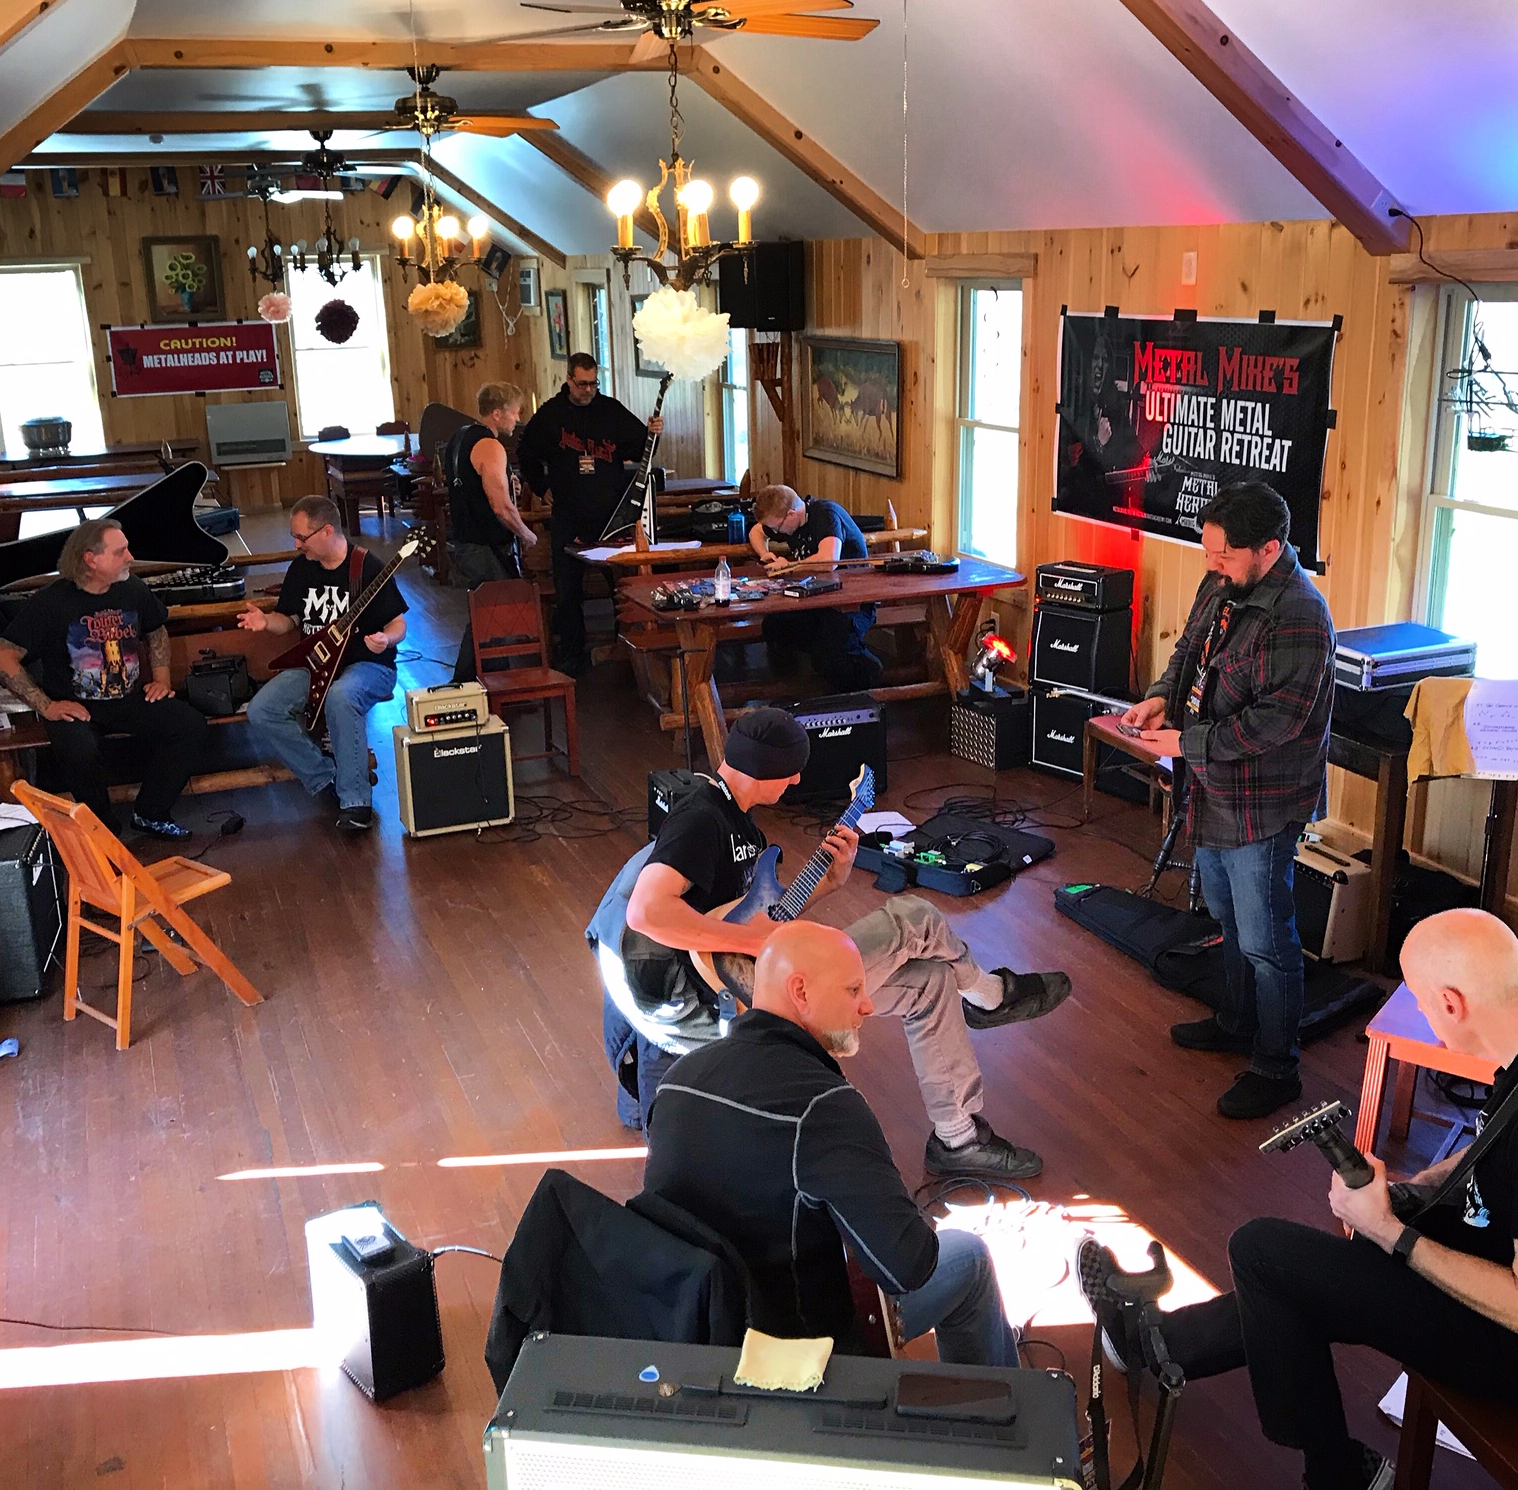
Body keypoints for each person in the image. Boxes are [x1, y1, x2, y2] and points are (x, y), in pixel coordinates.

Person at [1079, 910, 1518, 1490]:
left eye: (1420, 1001)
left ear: (1451, 1002)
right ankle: (1159, 1346)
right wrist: (1404, 1192)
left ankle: (1333, 1468)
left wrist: (1393, 1233)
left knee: (1262, 1250)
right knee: (1295, 1273)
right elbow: (1493, 1151)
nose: (1420, 1012)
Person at [592, 705, 1067, 1178]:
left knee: (931, 983)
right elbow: (647, 912)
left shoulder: (742, 824)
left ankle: (958, 1138)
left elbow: (765, 920)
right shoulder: (701, 817)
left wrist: (830, 882)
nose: (796, 781)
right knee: (917, 918)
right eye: (791, 771)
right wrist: (755, 945)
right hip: (724, 1000)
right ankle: (990, 996)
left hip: (758, 981)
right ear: (764, 768)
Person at [643, 920, 1020, 1365]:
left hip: (697, 1326)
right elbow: (909, 1267)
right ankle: (999, 1407)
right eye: (853, 990)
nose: (867, 1005)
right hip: (793, 1354)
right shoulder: (826, 1107)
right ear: (800, 991)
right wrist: (887, 1196)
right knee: (970, 1258)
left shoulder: (677, 1078)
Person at [1119, 482, 1335, 1119]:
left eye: (1224, 555)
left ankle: (1277, 1066)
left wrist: (1187, 742)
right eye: (1208, 551)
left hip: (1263, 800)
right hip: (1212, 787)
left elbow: (1278, 722)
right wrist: (1161, 696)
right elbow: (1189, 653)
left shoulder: (1300, 615)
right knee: (1228, 917)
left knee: (1266, 937)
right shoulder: (1222, 582)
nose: (1212, 564)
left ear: (1269, 548)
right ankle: (1238, 1022)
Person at [0, 519, 207, 839]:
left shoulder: (133, 588)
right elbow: (1, 658)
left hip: (130, 699)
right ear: (90, 559)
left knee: (190, 726)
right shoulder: (50, 602)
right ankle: (102, 831)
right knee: (79, 751)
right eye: (120, 552)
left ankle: (151, 812)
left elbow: (156, 629)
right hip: (74, 706)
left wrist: (162, 679)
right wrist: (47, 706)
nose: (131, 557)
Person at [239, 495, 407, 833]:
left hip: (368, 666)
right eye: (294, 537)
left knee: (341, 696)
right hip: (317, 666)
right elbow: (288, 620)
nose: (296, 544)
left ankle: (356, 801)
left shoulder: (367, 567)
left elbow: (398, 624)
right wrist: (266, 621)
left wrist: (385, 639)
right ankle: (326, 779)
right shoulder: (302, 568)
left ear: (327, 531)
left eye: (301, 537)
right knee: (262, 710)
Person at [518, 353, 662, 675]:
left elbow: (643, 450)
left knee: (622, 585)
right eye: (582, 384)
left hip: (610, 514)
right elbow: (526, 454)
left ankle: (625, 646)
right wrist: (541, 488)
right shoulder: (551, 415)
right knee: (568, 589)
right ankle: (572, 655)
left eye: (593, 384)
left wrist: (654, 433)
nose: (587, 390)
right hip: (568, 513)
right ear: (569, 380)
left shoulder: (610, 410)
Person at [749, 483, 882, 692]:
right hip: (818, 600)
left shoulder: (826, 514)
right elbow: (757, 531)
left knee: (829, 657)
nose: (775, 533)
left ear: (791, 514)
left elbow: (829, 560)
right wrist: (765, 554)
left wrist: (790, 566)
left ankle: (869, 673)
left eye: (777, 528)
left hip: (851, 603)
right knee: (774, 626)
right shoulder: (787, 521)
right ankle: (827, 663)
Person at [445, 382, 535, 681]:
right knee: (493, 618)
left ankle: (485, 686)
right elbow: (501, 507)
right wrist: (526, 534)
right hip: (486, 547)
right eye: (515, 412)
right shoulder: (490, 445)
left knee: (486, 617)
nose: (517, 419)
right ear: (497, 413)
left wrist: (508, 482)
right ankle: (474, 686)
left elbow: (471, 487)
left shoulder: (459, 438)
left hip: (464, 542)